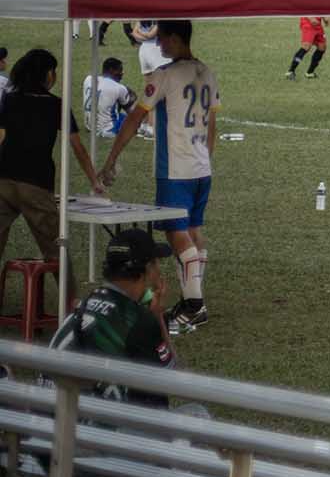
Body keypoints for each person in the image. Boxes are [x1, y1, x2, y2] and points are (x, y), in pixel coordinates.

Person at [105, 22, 217, 334]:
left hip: (175, 169)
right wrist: (206, 158)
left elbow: (135, 117)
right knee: (194, 231)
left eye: (163, 39)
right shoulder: (207, 71)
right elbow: (212, 125)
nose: (159, 45)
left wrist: (112, 158)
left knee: (176, 234)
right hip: (201, 166)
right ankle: (191, 300)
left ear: (174, 38)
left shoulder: (164, 75)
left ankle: (195, 307)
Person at [0, 49, 104, 296]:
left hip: (3, 178)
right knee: (56, 250)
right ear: (48, 74)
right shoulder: (55, 105)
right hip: (35, 184)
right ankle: (71, 305)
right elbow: (77, 147)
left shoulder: (9, 99)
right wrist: (95, 181)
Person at [49, 227, 177, 405]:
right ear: (148, 269)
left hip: (52, 415)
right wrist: (158, 317)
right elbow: (170, 376)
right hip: (93, 426)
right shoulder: (139, 321)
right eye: (157, 263)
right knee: (197, 412)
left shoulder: (86, 301)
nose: (159, 270)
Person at [82, 56, 137, 140]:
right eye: (120, 70)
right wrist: (133, 97)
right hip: (109, 129)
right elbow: (129, 110)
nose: (122, 73)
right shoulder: (119, 87)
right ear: (111, 70)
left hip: (90, 126)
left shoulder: (88, 79)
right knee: (135, 120)